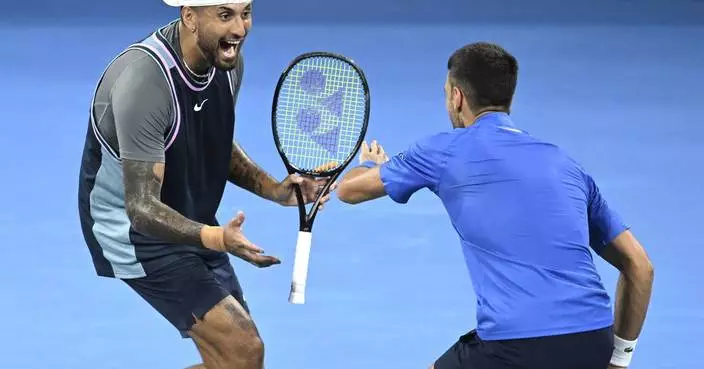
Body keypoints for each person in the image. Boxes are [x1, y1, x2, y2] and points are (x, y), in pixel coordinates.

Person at [336, 42, 654, 369]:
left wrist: (370, 165)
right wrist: (618, 358)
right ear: (509, 100)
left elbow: (348, 191)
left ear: (457, 97)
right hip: (592, 341)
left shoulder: (441, 151)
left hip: (514, 346)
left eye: (446, 93)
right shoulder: (565, 164)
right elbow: (639, 267)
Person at [77, 1, 333, 368]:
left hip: (187, 213)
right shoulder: (144, 81)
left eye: (246, 13)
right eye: (225, 15)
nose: (240, 30)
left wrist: (275, 190)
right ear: (190, 17)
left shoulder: (226, 63)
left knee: (236, 362)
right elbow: (142, 208)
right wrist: (216, 238)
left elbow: (208, 138)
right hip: (131, 229)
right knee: (244, 349)